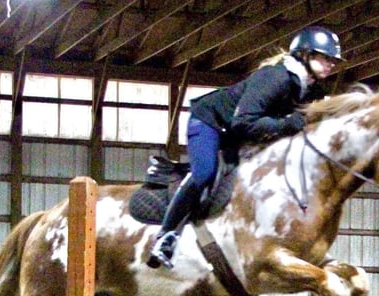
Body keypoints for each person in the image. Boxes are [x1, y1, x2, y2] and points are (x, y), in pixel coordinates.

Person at [146, 25, 344, 269]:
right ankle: (166, 237)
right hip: (210, 123)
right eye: (325, 57)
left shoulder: (311, 90)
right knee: (204, 173)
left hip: (243, 132)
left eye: (333, 60)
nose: (331, 64)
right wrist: (286, 123)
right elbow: (244, 123)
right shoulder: (274, 77)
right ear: (304, 54)